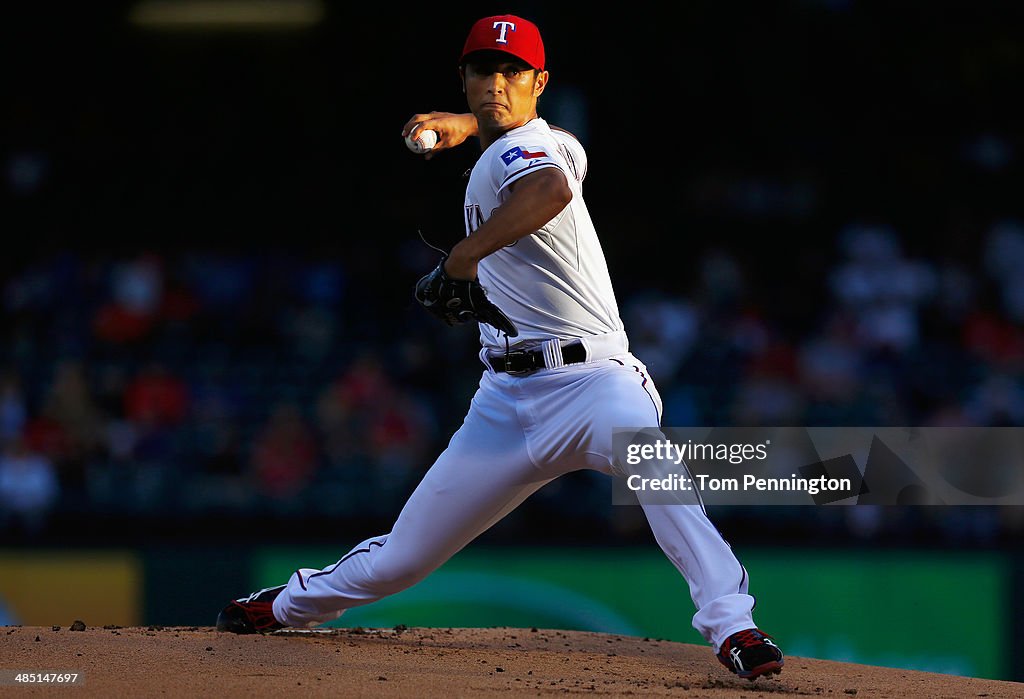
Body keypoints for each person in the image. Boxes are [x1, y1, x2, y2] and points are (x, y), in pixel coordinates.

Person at [216, 14, 784, 681]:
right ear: (464, 78)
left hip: (594, 382)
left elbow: (546, 186)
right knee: (404, 557)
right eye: (484, 69)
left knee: (655, 469)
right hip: (507, 400)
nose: (498, 82)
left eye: (514, 71)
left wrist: (459, 258)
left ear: (540, 82)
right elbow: (501, 144)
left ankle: (733, 625)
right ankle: (286, 604)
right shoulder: (509, 146)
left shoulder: (546, 146)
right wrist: (463, 125)